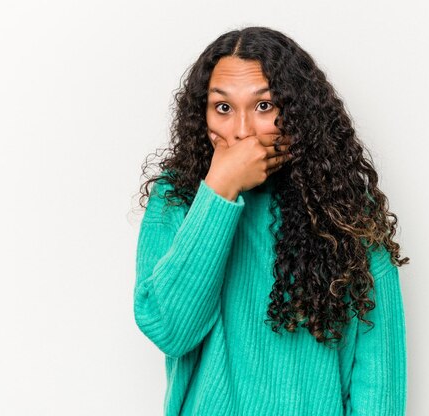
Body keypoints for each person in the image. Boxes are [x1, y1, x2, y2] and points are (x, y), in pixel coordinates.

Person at [133, 26, 410, 416]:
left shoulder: (345, 204)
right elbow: (169, 330)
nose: (243, 130)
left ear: (296, 111)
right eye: (223, 108)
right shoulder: (177, 198)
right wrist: (221, 188)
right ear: (203, 114)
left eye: (264, 106)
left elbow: (378, 372)